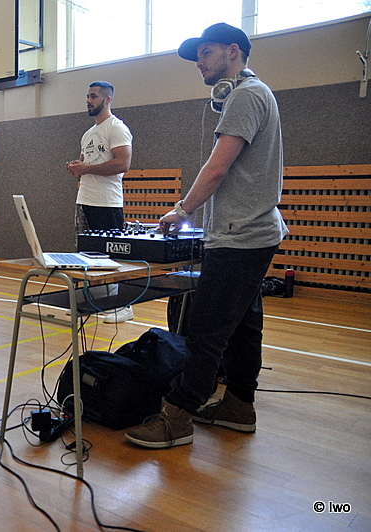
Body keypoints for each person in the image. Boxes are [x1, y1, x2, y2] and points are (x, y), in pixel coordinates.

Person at [125, 23, 288, 449]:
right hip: (254, 232)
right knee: (244, 325)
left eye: (206, 52)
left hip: (240, 237)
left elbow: (217, 168)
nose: (198, 62)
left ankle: (177, 418)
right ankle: (238, 406)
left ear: (234, 51)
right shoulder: (254, 94)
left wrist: (181, 210)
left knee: (205, 331)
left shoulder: (245, 96)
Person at [65, 81, 134, 324]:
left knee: (114, 255)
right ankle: (94, 300)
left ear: (107, 99)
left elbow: (123, 163)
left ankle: (123, 305)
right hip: (85, 200)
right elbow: (86, 165)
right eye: (87, 96)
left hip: (107, 202)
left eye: (93, 96)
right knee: (86, 253)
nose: (88, 100)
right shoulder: (88, 134)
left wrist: (88, 168)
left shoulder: (116, 128)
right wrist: (76, 168)